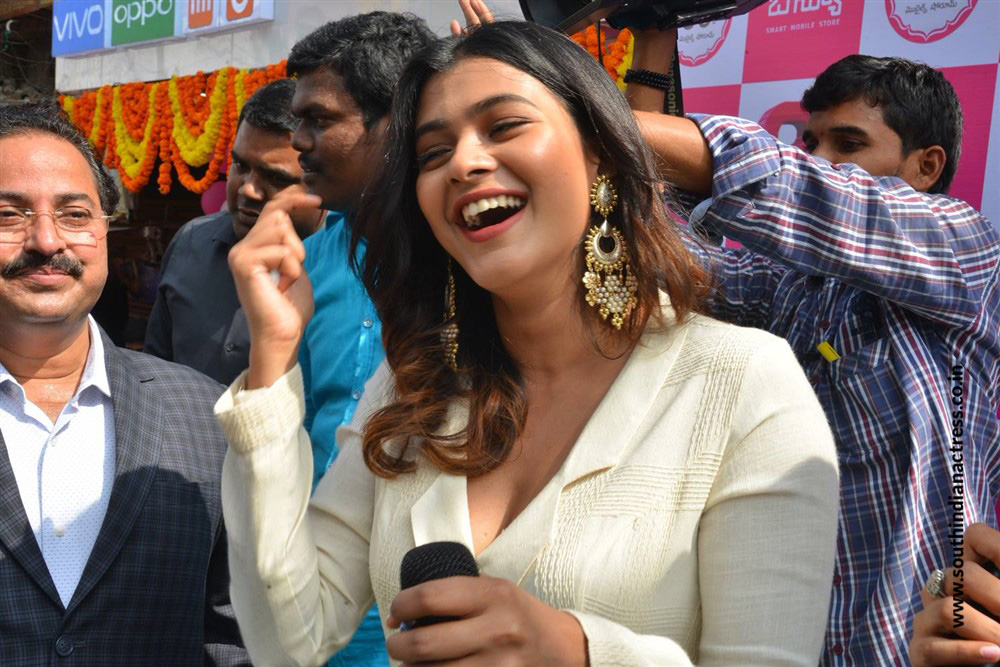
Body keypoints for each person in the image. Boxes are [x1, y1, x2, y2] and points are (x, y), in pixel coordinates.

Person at [215, 21, 841, 665]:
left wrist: (580, 652)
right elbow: (288, 643)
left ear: (599, 151)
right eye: (433, 153)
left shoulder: (742, 385)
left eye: (505, 126)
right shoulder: (413, 387)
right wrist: (273, 360)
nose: (465, 163)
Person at [625, 45, 1000, 664]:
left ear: (926, 166)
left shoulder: (965, 249)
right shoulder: (789, 285)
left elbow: (807, 192)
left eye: (848, 145)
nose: (820, 160)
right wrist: (639, 65)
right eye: (810, 143)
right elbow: (657, 252)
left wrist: (580, 111)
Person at [0, 101, 248, 664]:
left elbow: (232, 634)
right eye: (10, 215)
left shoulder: (205, 415)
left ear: (105, 230)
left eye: (74, 214)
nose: (46, 241)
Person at [281, 12, 439, 665]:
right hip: (315, 599)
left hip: (435, 607)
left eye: (319, 120)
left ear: (396, 120)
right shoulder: (302, 264)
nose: (298, 142)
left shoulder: (473, 260)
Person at [144, 79, 323, 384]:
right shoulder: (190, 242)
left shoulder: (352, 271)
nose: (248, 190)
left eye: (276, 178)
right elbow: (152, 369)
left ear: (321, 182)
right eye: (240, 166)